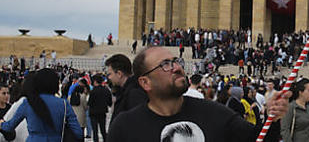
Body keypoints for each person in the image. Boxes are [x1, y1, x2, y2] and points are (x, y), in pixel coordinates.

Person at [105, 46, 288, 141]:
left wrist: (273, 118)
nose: (176, 67)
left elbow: (258, 139)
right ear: (145, 82)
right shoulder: (125, 127)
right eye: (165, 64)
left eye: (176, 61)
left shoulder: (214, 114)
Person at [0, 68, 83, 141]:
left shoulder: (28, 102)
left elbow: (10, 126)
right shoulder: (63, 104)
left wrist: (1, 124)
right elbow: (78, 132)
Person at [106, 53, 148, 126]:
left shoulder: (134, 94)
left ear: (119, 74)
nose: (109, 77)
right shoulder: (125, 91)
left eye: (110, 74)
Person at [87, 75, 113, 142]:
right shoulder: (106, 90)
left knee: (95, 132)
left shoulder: (93, 91)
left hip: (93, 113)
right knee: (103, 130)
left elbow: (90, 103)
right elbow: (110, 103)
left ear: (95, 81)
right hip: (102, 112)